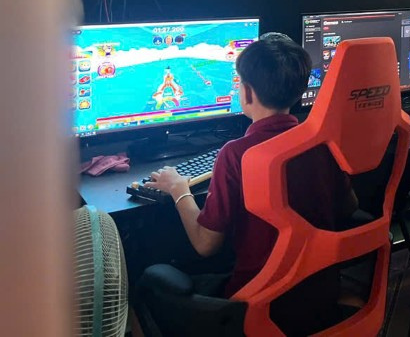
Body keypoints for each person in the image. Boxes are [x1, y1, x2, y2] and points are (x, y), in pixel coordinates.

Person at [136, 33, 358, 336]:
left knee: (148, 283)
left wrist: (179, 189)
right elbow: (349, 207)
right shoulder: (323, 144)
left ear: (248, 92)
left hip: (256, 303)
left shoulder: (236, 154)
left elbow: (205, 245)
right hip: (317, 295)